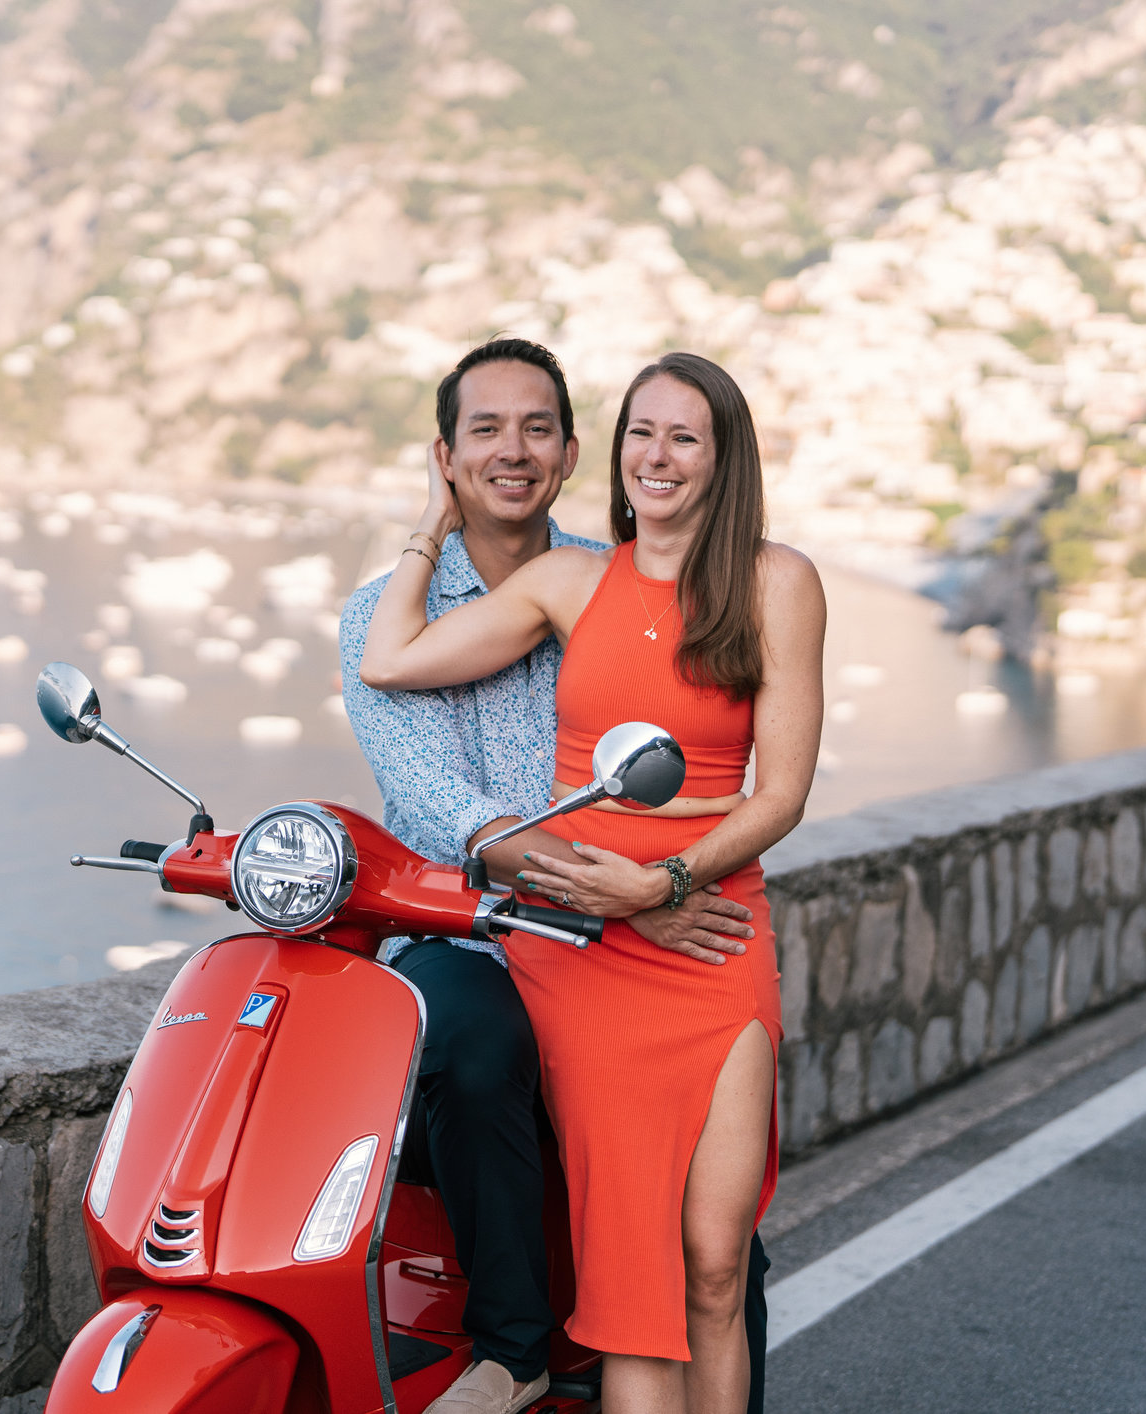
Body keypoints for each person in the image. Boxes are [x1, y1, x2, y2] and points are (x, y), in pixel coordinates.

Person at [360, 350, 825, 1414]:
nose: (657, 456)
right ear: (613, 457)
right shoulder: (571, 582)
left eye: (685, 436)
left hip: (712, 933)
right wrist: (428, 525)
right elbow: (387, 659)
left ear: (722, 458)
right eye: (642, 433)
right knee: (636, 1286)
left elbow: (783, 792)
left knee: (716, 1261)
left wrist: (658, 883)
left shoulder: (778, 581)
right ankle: (519, 1357)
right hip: (587, 957)